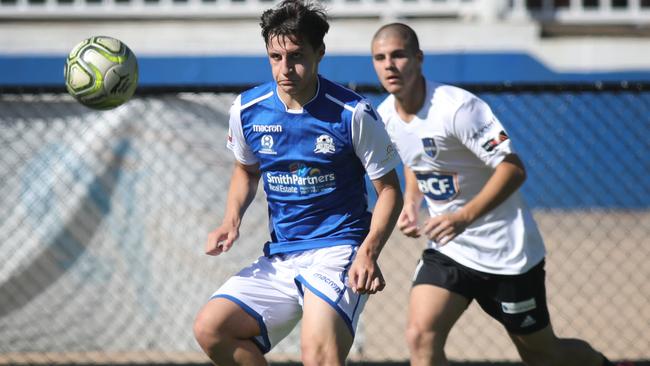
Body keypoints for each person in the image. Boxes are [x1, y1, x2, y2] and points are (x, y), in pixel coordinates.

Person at [370, 22, 625, 366]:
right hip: (450, 251)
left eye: (398, 55)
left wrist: (463, 217)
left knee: (542, 354)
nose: (389, 64)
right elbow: (414, 159)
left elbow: (513, 169)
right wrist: (413, 202)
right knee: (420, 335)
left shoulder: (458, 108)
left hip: (508, 255)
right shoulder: (384, 116)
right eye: (380, 57)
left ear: (418, 58)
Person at [192, 2, 403, 365]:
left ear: (319, 52)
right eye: (275, 57)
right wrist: (231, 220)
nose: (285, 68)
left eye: (296, 56)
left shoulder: (353, 113)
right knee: (212, 329)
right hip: (282, 254)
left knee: (317, 355)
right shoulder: (247, 110)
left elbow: (390, 191)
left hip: (339, 250)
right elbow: (246, 170)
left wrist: (369, 251)